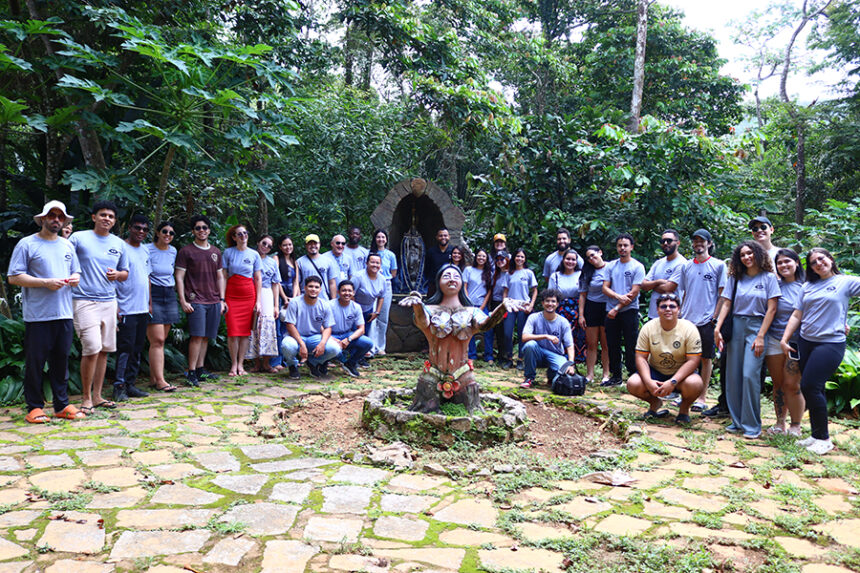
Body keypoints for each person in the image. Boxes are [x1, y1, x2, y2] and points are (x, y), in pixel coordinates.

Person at [399, 264, 522, 413]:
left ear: (462, 283)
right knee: (425, 408)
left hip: (463, 375)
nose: (452, 279)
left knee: (471, 409)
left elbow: (485, 325)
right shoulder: (429, 309)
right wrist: (418, 306)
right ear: (438, 282)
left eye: (456, 276)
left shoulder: (472, 311)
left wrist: (501, 308)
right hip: (432, 374)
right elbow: (422, 321)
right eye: (446, 276)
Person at [8, 200, 84, 422]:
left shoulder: (67, 245)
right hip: (38, 315)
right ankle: (34, 407)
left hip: (64, 313)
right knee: (36, 362)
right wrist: (45, 283)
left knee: (61, 361)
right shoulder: (27, 244)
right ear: (42, 219)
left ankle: (62, 405)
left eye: (60, 217)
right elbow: (14, 276)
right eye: (52, 216)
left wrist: (75, 278)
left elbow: (76, 272)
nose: (56, 220)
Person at [781, 248, 860, 455]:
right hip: (806, 342)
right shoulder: (807, 286)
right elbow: (797, 315)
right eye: (813, 262)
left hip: (830, 343)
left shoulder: (845, 282)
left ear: (831, 259)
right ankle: (816, 435)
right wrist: (785, 338)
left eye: (821, 259)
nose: (818, 264)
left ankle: (824, 439)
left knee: (810, 385)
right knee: (815, 388)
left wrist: (842, 319)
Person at [715, 241, 780, 440]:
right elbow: (726, 304)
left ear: (758, 254)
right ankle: (737, 422)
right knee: (733, 375)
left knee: (749, 375)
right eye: (742, 255)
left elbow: (772, 309)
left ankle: (752, 425)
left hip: (757, 327)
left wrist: (761, 335)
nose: (747, 257)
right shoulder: (735, 278)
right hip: (736, 326)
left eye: (750, 253)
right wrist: (717, 328)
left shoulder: (769, 278)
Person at [69, 200, 129, 414]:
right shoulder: (78, 238)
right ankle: (85, 398)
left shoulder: (119, 244)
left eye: (111, 216)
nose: (107, 219)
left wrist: (118, 274)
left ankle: (97, 396)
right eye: (103, 215)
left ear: (114, 221)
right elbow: (64, 259)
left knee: (104, 350)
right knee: (92, 347)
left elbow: (125, 273)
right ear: (94, 217)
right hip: (83, 300)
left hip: (109, 302)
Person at [670, 229, 726, 415]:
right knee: (685, 358)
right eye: (695, 241)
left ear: (709, 243)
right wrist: (680, 314)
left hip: (707, 320)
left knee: (705, 359)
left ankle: (702, 398)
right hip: (687, 319)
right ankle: (684, 393)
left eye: (702, 241)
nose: (698, 244)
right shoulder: (686, 266)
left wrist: (715, 318)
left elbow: (722, 295)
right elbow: (685, 292)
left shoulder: (718, 265)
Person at [626, 293, 704, 424]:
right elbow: (641, 357)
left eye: (672, 306)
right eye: (663, 306)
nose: (668, 309)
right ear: (657, 310)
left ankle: (684, 410)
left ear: (678, 310)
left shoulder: (689, 328)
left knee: (695, 384)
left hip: (681, 374)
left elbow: (693, 361)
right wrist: (648, 381)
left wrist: (673, 381)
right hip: (655, 371)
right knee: (633, 383)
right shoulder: (648, 327)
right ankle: (655, 403)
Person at [175, 214, 225, 387]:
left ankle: (200, 369)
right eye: (198, 228)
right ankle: (191, 372)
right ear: (193, 231)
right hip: (195, 300)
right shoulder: (186, 251)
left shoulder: (215, 252)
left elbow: (220, 277)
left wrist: (222, 299)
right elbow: (179, 277)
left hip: (213, 300)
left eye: (204, 228)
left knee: (205, 337)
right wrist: (183, 301)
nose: (201, 230)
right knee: (196, 336)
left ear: (209, 230)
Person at [765, 249, 805, 437]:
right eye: (779, 263)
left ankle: (796, 425)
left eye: (787, 261)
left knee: (792, 384)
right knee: (778, 383)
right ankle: (780, 422)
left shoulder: (807, 285)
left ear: (796, 262)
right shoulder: (775, 285)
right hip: (774, 338)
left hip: (796, 342)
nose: (783, 265)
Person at [113, 214, 152, 402]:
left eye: (145, 229)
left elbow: (147, 277)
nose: (141, 232)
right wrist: (115, 305)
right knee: (125, 349)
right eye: (137, 228)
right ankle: (119, 386)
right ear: (129, 228)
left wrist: (150, 303)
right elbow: (112, 277)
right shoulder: (120, 248)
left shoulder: (145, 251)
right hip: (125, 307)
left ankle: (130, 384)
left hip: (142, 308)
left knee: (137, 348)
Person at [601, 232, 646, 387]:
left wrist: (618, 306)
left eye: (625, 245)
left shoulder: (637, 266)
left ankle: (634, 376)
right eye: (620, 245)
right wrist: (618, 298)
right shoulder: (610, 266)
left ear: (631, 247)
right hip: (611, 311)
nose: (622, 248)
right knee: (612, 344)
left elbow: (634, 292)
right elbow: (605, 287)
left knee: (631, 344)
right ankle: (616, 377)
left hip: (629, 310)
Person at [281, 276, 341, 378]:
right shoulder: (295, 302)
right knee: (287, 346)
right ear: (305, 288)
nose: (313, 289)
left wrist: (322, 343)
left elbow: (328, 327)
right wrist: (301, 344)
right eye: (310, 286)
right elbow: (290, 325)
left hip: (314, 337)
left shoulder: (324, 305)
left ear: (320, 289)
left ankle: (313, 362)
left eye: (316, 287)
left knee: (335, 349)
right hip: (296, 337)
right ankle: (292, 365)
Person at [222, 224, 263, 377]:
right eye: (239, 234)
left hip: (248, 295)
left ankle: (241, 364)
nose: (243, 236)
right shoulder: (228, 253)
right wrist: (222, 299)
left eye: (245, 233)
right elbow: (223, 276)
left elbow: (258, 278)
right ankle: (233, 364)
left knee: (245, 333)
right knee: (233, 331)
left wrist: (258, 301)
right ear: (234, 237)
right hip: (231, 295)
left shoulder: (254, 254)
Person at [519, 289, 577, 388]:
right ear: (542, 303)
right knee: (530, 345)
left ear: (557, 304)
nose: (550, 304)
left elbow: (570, 345)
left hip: (555, 355)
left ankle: (551, 376)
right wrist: (545, 336)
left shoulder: (563, 322)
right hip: (537, 353)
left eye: (553, 301)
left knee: (563, 371)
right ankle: (529, 378)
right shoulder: (534, 317)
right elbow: (524, 337)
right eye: (547, 301)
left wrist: (570, 364)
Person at [146, 221, 178, 392]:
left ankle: (153, 378)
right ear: (157, 232)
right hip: (154, 293)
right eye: (165, 231)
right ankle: (161, 381)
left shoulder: (173, 251)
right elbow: (145, 275)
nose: (168, 235)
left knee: (161, 340)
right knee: (157, 339)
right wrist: (148, 301)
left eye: (171, 233)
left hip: (169, 293)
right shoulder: (147, 249)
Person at [246, 235, 279, 373]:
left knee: (267, 326)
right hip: (250, 291)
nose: (265, 247)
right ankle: (256, 363)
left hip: (266, 293)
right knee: (253, 326)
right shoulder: (249, 257)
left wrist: (276, 305)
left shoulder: (272, 262)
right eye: (264, 243)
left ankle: (266, 363)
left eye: (269, 246)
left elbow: (275, 284)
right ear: (258, 242)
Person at [578, 246, 611, 384]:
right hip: (592, 307)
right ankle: (590, 375)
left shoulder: (611, 267)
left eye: (593, 255)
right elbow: (582, 295)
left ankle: (606, 375)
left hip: (607, 307)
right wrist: (581, 315)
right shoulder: (587, 272)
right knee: (591, 344)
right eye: (588, 257)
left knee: (605, 344)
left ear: (600, 252)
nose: (591, 259)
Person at [329, 280, 373, 377]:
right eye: (344, 290)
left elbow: (361, 329)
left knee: (368, 343)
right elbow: (321, 328)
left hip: (347, 334)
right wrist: (334, 339)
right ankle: (322, 364)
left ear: (354, 292)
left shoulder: (356, 307)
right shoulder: (329, 305)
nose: (347, 293)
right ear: (338, 292)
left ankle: (351, 363)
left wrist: (349, 339)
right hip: (330, 335)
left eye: (349, 291)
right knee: (331, 347)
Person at [548, 248, 586, 363]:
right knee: (561, 337)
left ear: (577, 262)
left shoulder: (581, 275)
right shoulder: (555, 276)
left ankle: (573, 364)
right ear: (563, 260)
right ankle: (560, 363)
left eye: (573, 260)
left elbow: (584, 294)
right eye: (568, 259)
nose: (570, 262)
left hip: (578, 311)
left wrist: (581, 315)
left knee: (576, 339)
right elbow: (551, 296)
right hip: (561, 311)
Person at [504, 248, 538, 369]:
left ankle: (520, 359)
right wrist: (504, 303)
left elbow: (535, 290)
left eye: (522, 257)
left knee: (522, 333)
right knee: (507, 333)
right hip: (511, 306)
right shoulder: (509, 273)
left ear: (525, 259)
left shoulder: (528, 273)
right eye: (517, 256)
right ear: (514, 258)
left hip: (524, 306)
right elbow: (505, 291)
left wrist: (531, 305)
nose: (519, 259)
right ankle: (509, 358)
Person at [641, 229, 686, 320]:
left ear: (678, 243)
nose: (665, 243)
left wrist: (652, 286)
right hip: (653, 314)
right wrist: (659, 281)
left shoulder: (682, 263)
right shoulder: (658, 263)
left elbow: (668, 288)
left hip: (672, 316)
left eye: (669, 241)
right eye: (663, 241)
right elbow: (644, 285)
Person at [271, 235, 299, 372]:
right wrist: (285, 298)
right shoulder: (276, 259)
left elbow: (296, 281)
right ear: (280, 247)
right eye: (285, 245)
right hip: (279, 297)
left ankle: (288, 359)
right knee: (277, 329)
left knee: (289, 329)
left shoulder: (294, 261)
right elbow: (276, 281)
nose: (288, 247)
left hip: (292, 298)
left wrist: (294, 298)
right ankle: (276, 361)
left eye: (290, 245)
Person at [352, 253, 386, 364]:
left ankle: (360, 357)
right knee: (355, 334)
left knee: (365, 334)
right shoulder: (358, 276)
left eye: (377, 263)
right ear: (367, 263)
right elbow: (350, 293)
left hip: (369, 310)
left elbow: (381, 297)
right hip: (355, 309)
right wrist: (355, 311)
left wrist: (377, 312)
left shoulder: (382, 279)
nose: (375, 265)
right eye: (372, 262)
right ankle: (351, 359)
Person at [369, 229, 398, 356]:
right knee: (372, 316)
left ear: (386, 240)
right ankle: (371, 347)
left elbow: (393, 272)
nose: (380, 239)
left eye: (383, 237)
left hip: (386, 285)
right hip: (371, 284)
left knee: (383, 317)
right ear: (375, 239)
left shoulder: (390, 255)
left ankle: (380, 347)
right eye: (378, 237)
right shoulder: (370, 253)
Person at [464, 248, 493, 362]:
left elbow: (489, 292)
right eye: (479, 256)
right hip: (469, 305)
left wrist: (482, 306)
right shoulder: (468, 270)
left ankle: (488, 356)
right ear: (475, 257)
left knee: (488, 329)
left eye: (483, 256)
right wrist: (468, 302)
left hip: (482, 306)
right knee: (469, 329)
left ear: (486, 259)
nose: (481, 258)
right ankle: (472, 355)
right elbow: (464, 287)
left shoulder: (489, 273)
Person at [297, 234, 337, 301]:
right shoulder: (299, 262)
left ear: (319, 244)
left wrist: (333, 301)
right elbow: (297, 284)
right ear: (306, 245)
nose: (313, 246)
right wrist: (299, 300)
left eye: (315, 243)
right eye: (310, 243)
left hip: (324, 300)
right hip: (305, 300)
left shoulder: (328, 261)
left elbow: (332, 283)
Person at [489, 250, 511, 366]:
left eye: (502, 259)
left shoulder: (511, 273)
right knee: (497, 330)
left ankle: (507, 356)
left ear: (507, 259)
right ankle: (500, 355)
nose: (499, 261)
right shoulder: (495, 274)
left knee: (505, 330)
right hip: (495, 302)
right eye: (497, 259)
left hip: (506, 303)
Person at [425, 227, 454, 296]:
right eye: (441, 236)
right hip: (433, 284)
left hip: (449, 284)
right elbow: (427, 268)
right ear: (437, 237)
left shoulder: (453, 251)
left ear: (449, 237)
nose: (443, 237)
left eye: (445, 235)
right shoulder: (431, 251)